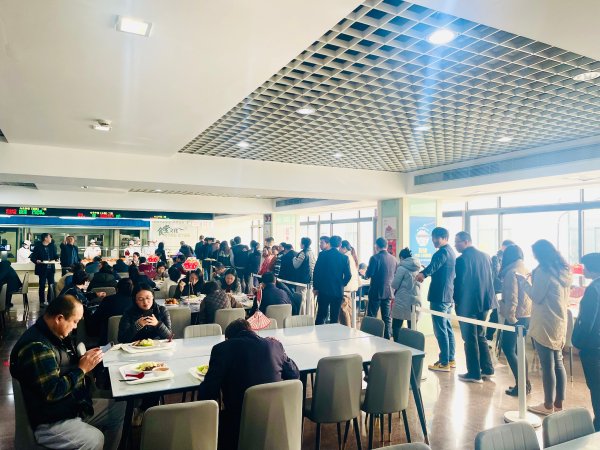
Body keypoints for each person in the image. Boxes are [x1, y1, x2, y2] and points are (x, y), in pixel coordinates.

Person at [9, 295, 125, 450]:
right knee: (94, 439)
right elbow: (52, 391)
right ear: (59, 318)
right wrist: (82, 369)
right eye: (75, 321)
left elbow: (62, 365)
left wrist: (84, 360)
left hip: (70, 406)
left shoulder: (54, 335)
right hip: (49, 421)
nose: (75, 327)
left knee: (119, 409)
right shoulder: (37, 346)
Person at [197, 319, 300, 450]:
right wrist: (282, 353)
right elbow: (294, 375)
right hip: (276, 422)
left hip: (238, 426)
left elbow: (207, 394)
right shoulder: (274, 345)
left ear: (228, 339)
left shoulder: (222, 349)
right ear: (251, 330)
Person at [518, 239, 571, 416]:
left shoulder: (544, 271)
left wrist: (523, 282)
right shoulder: (563, 270)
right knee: (558, 363)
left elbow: (536, 296)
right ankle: (558, 404)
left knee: (547, 365)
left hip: (545, 321)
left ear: (540, 254)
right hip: (559, 321)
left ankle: (548, 405)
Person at [453, 231, 496, 383]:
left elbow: (459, 284)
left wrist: (456, 301)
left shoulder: (461, 260)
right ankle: (487, 369)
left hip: (468, 304)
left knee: (469, 338)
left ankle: (474, 373)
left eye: (457, 242)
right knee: (480, 334)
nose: (455, 245)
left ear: (466, 241)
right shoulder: (485, 256)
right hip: (485, 302)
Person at [416, 227, 456, 372]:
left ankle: (444, 362)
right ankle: (450, 359)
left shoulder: (442, 252)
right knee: (447, 328)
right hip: (448, 296)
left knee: (440, 329)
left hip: (439, 296)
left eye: (437, 238)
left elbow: (435, 265)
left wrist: (423, 274)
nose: (434, 241)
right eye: (433, 238)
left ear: (445, 238)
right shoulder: (451, 251)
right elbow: (439, 268)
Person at [497, 244, 532, 396]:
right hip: (526, 315)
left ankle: (521, 385)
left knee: (508, 348)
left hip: (515, 317)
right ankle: (525, 384)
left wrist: (510, 318)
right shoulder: (525, 269)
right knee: (519, 349)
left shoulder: (511, 272)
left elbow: (512, 298)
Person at [573, 253, 600, 431]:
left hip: (592, 346)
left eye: (585, 267)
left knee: (596, 387)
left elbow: (587, 321)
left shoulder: (594, 289)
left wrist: (577, 343)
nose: (583, 270)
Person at [312, 235, 351, 325]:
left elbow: (316, 272)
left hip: (323, 290)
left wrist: (316, 287)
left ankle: (318, 333)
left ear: (330, 243)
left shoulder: (322, 255)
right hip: (337, 291)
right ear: (340, 245)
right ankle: (333, 333)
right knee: (334, 317)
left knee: (321, 315)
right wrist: (342, 284)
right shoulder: (344, 258)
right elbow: (348, 275)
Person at [365, 237, 397, 339]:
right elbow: (395, 275)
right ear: (386, 246)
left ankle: (371, 338)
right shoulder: (394, 259)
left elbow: (369, 274)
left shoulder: (374, 258)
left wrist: (365, 273)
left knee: (372, 317)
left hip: (376, 292)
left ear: (376, 246)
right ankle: (387, 338)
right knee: (387, 317)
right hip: (389, 292)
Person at [486, 239, 516, 342]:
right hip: (498, 290)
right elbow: (496, 275)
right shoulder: (496, 258)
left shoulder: (511, 259)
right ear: (503, 247)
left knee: (500, 314)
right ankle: (489, 337)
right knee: (495, 314)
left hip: (507, 290)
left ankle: (495, 338)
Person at [90, 278, 134, 344]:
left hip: (106, 340)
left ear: (117, 289)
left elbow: (96, 318)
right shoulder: (136, 302)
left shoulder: (108, 300)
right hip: (132, 341)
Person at [391, 248, 421, 341]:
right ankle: (411, 345)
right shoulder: (419, 268)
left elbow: (395, 285)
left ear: (401, 257)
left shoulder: (401, 268)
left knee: (396, 325)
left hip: (402, 300)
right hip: (415, 300)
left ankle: (396, 344)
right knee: (412, 327)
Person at [30, 233, 59, 306]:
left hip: (51, 269)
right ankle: (42, 301)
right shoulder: (38, 247)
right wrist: (37, 261)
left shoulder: (52, 246)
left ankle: (50, 300)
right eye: (49, 237)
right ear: (45, 238)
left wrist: (57, 258)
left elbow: (55, 255)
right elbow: (33, 258)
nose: (51, 238)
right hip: (42, 269)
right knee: (42, 285)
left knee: (51, 285)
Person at [293, 237, 316, 314]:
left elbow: (296, 265)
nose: (300, 244)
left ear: (303, 244)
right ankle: (310, 316)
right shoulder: (312, 253)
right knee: (310, 299)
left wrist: (294, 259)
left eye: (301, 243)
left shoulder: (303, 253)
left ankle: (302, 316)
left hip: (302, 280)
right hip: (311, 280)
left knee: (302, 299)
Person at [340, 240, 359, 326]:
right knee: (348, 310)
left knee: (343, 311)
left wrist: (342, 284)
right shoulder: (351, 256)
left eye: (340, 248)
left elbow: (347, 275)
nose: (339, 250)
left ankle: (346, 329)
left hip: (346, 288)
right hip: (351, 287)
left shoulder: (345, 257)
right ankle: (350, 329)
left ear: (344, 248)